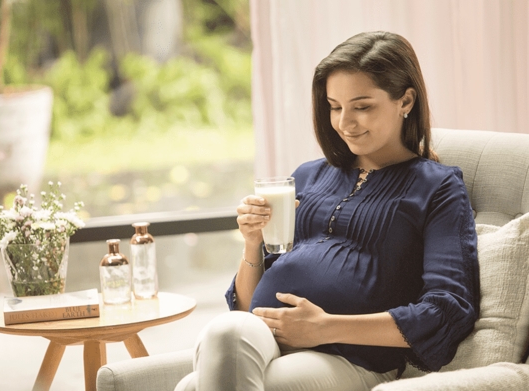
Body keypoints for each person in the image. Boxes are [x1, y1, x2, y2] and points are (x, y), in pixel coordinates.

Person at [175, 31, 480, 391]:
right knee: (224, 330)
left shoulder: (438, 187)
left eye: (362, 106)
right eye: (335, 107)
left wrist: (324, 326)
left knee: (192, 387)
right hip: (262, 337)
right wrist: (253, 243)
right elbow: (243, 309)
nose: (344, 123)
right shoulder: (307, 175)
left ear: (406, 100)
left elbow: (449, 310)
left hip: (352, 356)